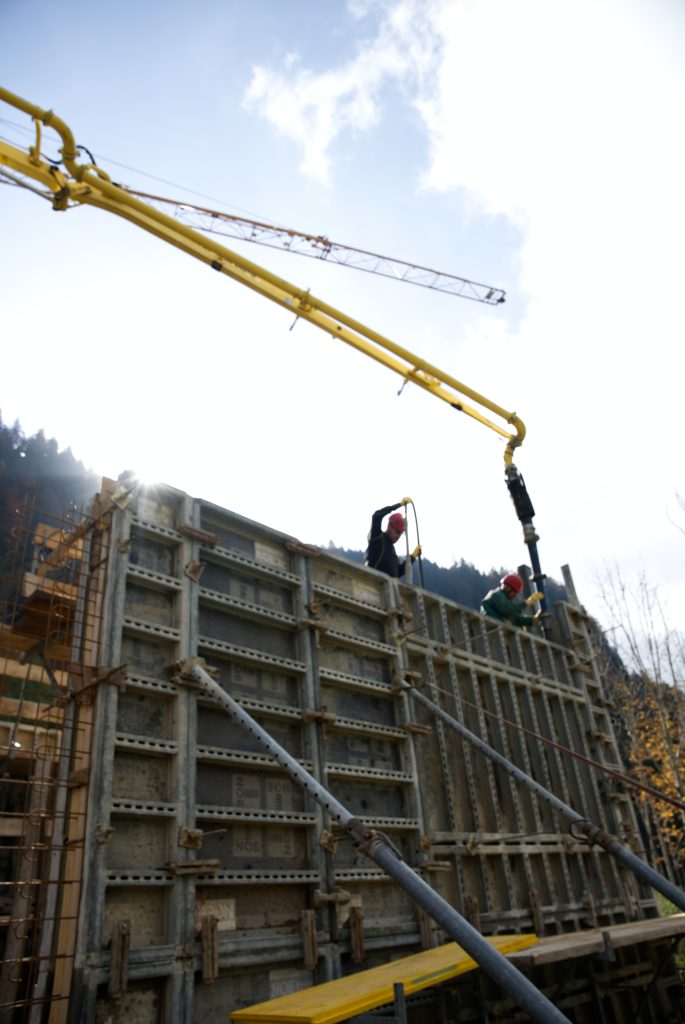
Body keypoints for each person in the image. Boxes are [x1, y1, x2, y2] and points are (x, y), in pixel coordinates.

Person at [365, 499, 421, 578]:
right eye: (397, 532)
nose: (398, 536)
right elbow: (377, 516)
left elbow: (398, 572)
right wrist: (399, 505)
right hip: (373, 584)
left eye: (400, 533)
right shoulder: (378, 538)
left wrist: (413, 557)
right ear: (389, 526)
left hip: (387, 588)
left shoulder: (393, 553)